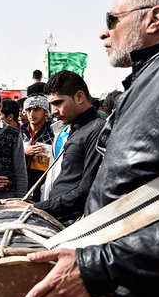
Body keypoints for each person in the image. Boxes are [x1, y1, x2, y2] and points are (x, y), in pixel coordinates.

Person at [16, 0, 159, 297]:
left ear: (155, 18)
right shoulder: (149, 81)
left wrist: (98, 267)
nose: (103, 32)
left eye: (112, 20)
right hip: (128, 295)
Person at [8, 72, 105, 224]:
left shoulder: (97, 130)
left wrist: (37, 208)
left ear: (79, 97)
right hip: (58, 215)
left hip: (74, 222)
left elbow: (86, 190)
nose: (53, 111)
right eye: (51, 105)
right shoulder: (74, 128)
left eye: (58, 103)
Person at [18, 95, 54, 201]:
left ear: (45, 111)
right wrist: (24, 154)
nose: (32, 114)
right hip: (22, 186)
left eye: (37, 109)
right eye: (28, 110)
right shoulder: (19, 134)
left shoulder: (54, 134)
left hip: (46, 185)